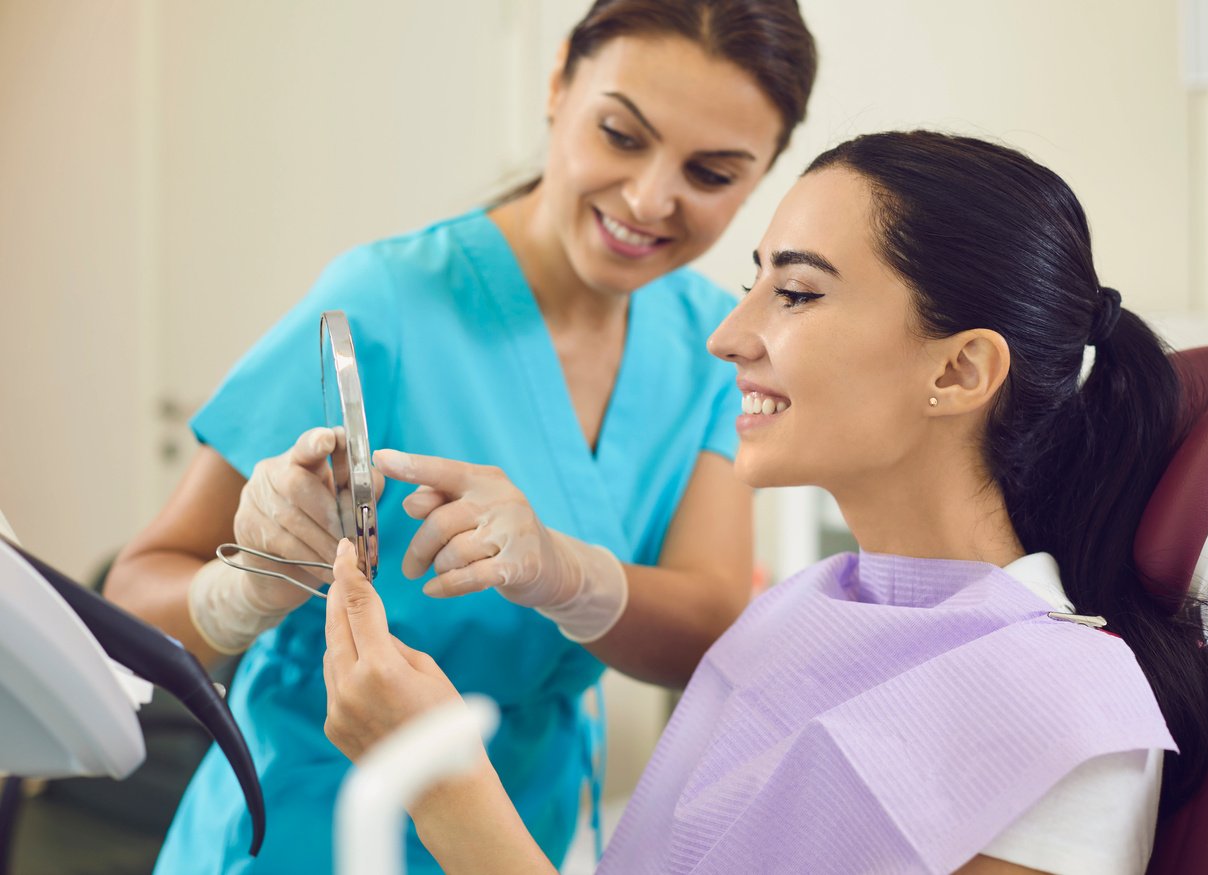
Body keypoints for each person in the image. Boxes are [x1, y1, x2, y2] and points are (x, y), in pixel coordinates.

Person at [322, 130, 1208, 874]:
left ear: (958, 369)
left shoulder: (1061, 714)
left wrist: (443, 785)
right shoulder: (806, 609)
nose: (728, 334)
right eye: (755, 280)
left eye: (794, 292)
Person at [102, 2, 818, 872]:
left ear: (764, 174)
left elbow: (708, 627)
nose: (648, 198)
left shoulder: (717, 344)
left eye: (711, 173)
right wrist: (246, 590)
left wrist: (567, 574)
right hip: (305, 827)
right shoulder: (383, 302)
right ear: (558, 84)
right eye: (622, 136)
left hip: (517, 829)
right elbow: (133, 603)